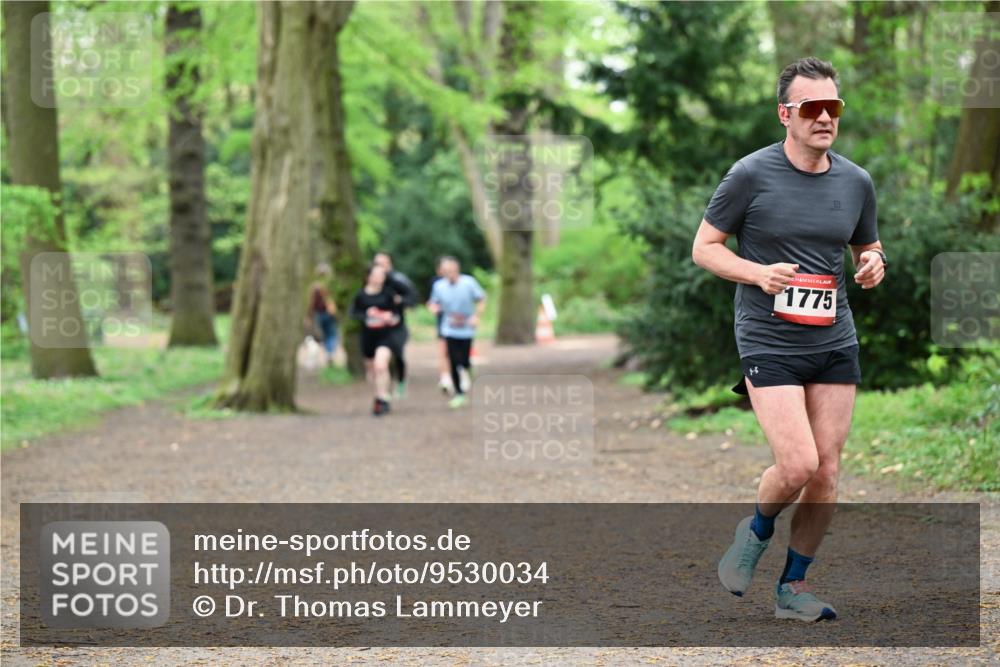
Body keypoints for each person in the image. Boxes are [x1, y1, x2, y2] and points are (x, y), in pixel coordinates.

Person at [692, 57, 886, 622]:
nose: (826, 117)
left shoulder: (856, 181)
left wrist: (873, 263)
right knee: (798, 463)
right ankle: (754, 533)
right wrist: (756, 273)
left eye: (834, 107)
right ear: (786, 114)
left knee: (827, 470)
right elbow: (705, 248)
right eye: (812, 108)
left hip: (833, 336)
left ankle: (792, 588)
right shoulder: (750, 174)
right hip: (767, 338)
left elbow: (866, 248)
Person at [428, 257, 486, 408]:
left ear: (457, 270)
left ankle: (467, 367)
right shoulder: (439, 286)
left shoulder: (469, 283)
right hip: (449, 327)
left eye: (451, 271)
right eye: (446, 272)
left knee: (464, 360)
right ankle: (459, 393)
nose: (449, 275)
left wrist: (476, 316)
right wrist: (434, 308)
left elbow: (481, 299)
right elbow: (433, 302)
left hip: (466, 327)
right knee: (453, 360)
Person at [350, 264, 406, 416]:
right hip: (368, 337)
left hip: (386, 336)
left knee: (381, 365)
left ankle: (383, 398)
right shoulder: (360, 295)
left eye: (383, 275)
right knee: (373, 371)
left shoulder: (388, 294)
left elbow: (397, 315)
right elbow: (354, 314)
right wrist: (368, 314)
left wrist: (389, 318)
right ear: (369, 277)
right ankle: (380, 395)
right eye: (378, 274)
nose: (381, 277)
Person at [373, 252, 419, 398]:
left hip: (397, 327)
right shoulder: (370, 281)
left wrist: (401, 301)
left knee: (398, 355)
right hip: (377, 329)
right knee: (382, 360)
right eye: (378, 264)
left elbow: (413, 298)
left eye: (383, 263)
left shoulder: (397, 281)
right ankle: (385, 388)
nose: (381, 267)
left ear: (390, 264)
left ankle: (400, 381)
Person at [428, 257, 454, 395]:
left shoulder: (461, 282)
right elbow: (432, 302)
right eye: (443, 270)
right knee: (443, 350)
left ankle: (459, 372)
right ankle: (445, 377)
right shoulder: (436, 284)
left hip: (460, 324)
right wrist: (435, 308)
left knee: (456, 351)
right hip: (443, 322)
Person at [307, 263, 338, 367]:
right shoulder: (331, 286)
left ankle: (319, 357)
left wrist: (309, 315)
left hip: (319, 314)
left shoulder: (314, 287)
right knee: (329, 335)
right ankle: (329, 353)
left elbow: (311, 303)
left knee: (319, 336)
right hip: (327, 314)